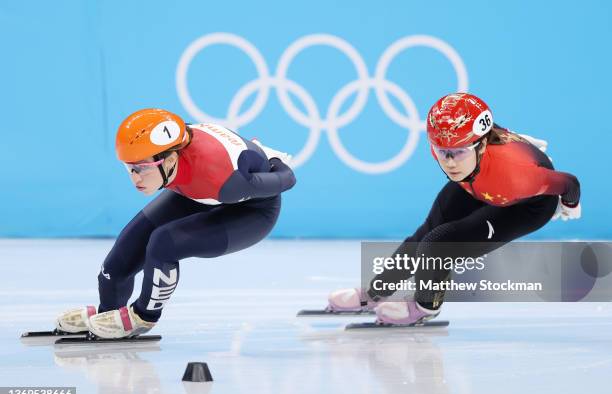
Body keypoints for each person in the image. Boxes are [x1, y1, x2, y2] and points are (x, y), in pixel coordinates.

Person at [327, 93, 581, 324]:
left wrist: (569, 204)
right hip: (476, 181)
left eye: (458, 152)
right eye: (442, 151)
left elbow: (569, 182)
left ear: (481, 145)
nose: (449, 162)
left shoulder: (518, 177)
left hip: (526, 205)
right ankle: (374, 293)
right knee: (424, 234)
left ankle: (425, 306)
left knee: (439, 243)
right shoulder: (452, 144)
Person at [55, 109, 296, 338]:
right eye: (129, 167)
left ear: (170, 159)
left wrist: (274, 159)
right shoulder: (169, 150)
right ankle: (108, 311)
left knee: (164, 242)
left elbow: (287, 178)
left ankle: (141, 317)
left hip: (251, 210)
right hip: (195, 191)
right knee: (122, 255)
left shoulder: (224, 180)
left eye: (141, 168)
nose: (135, 178)